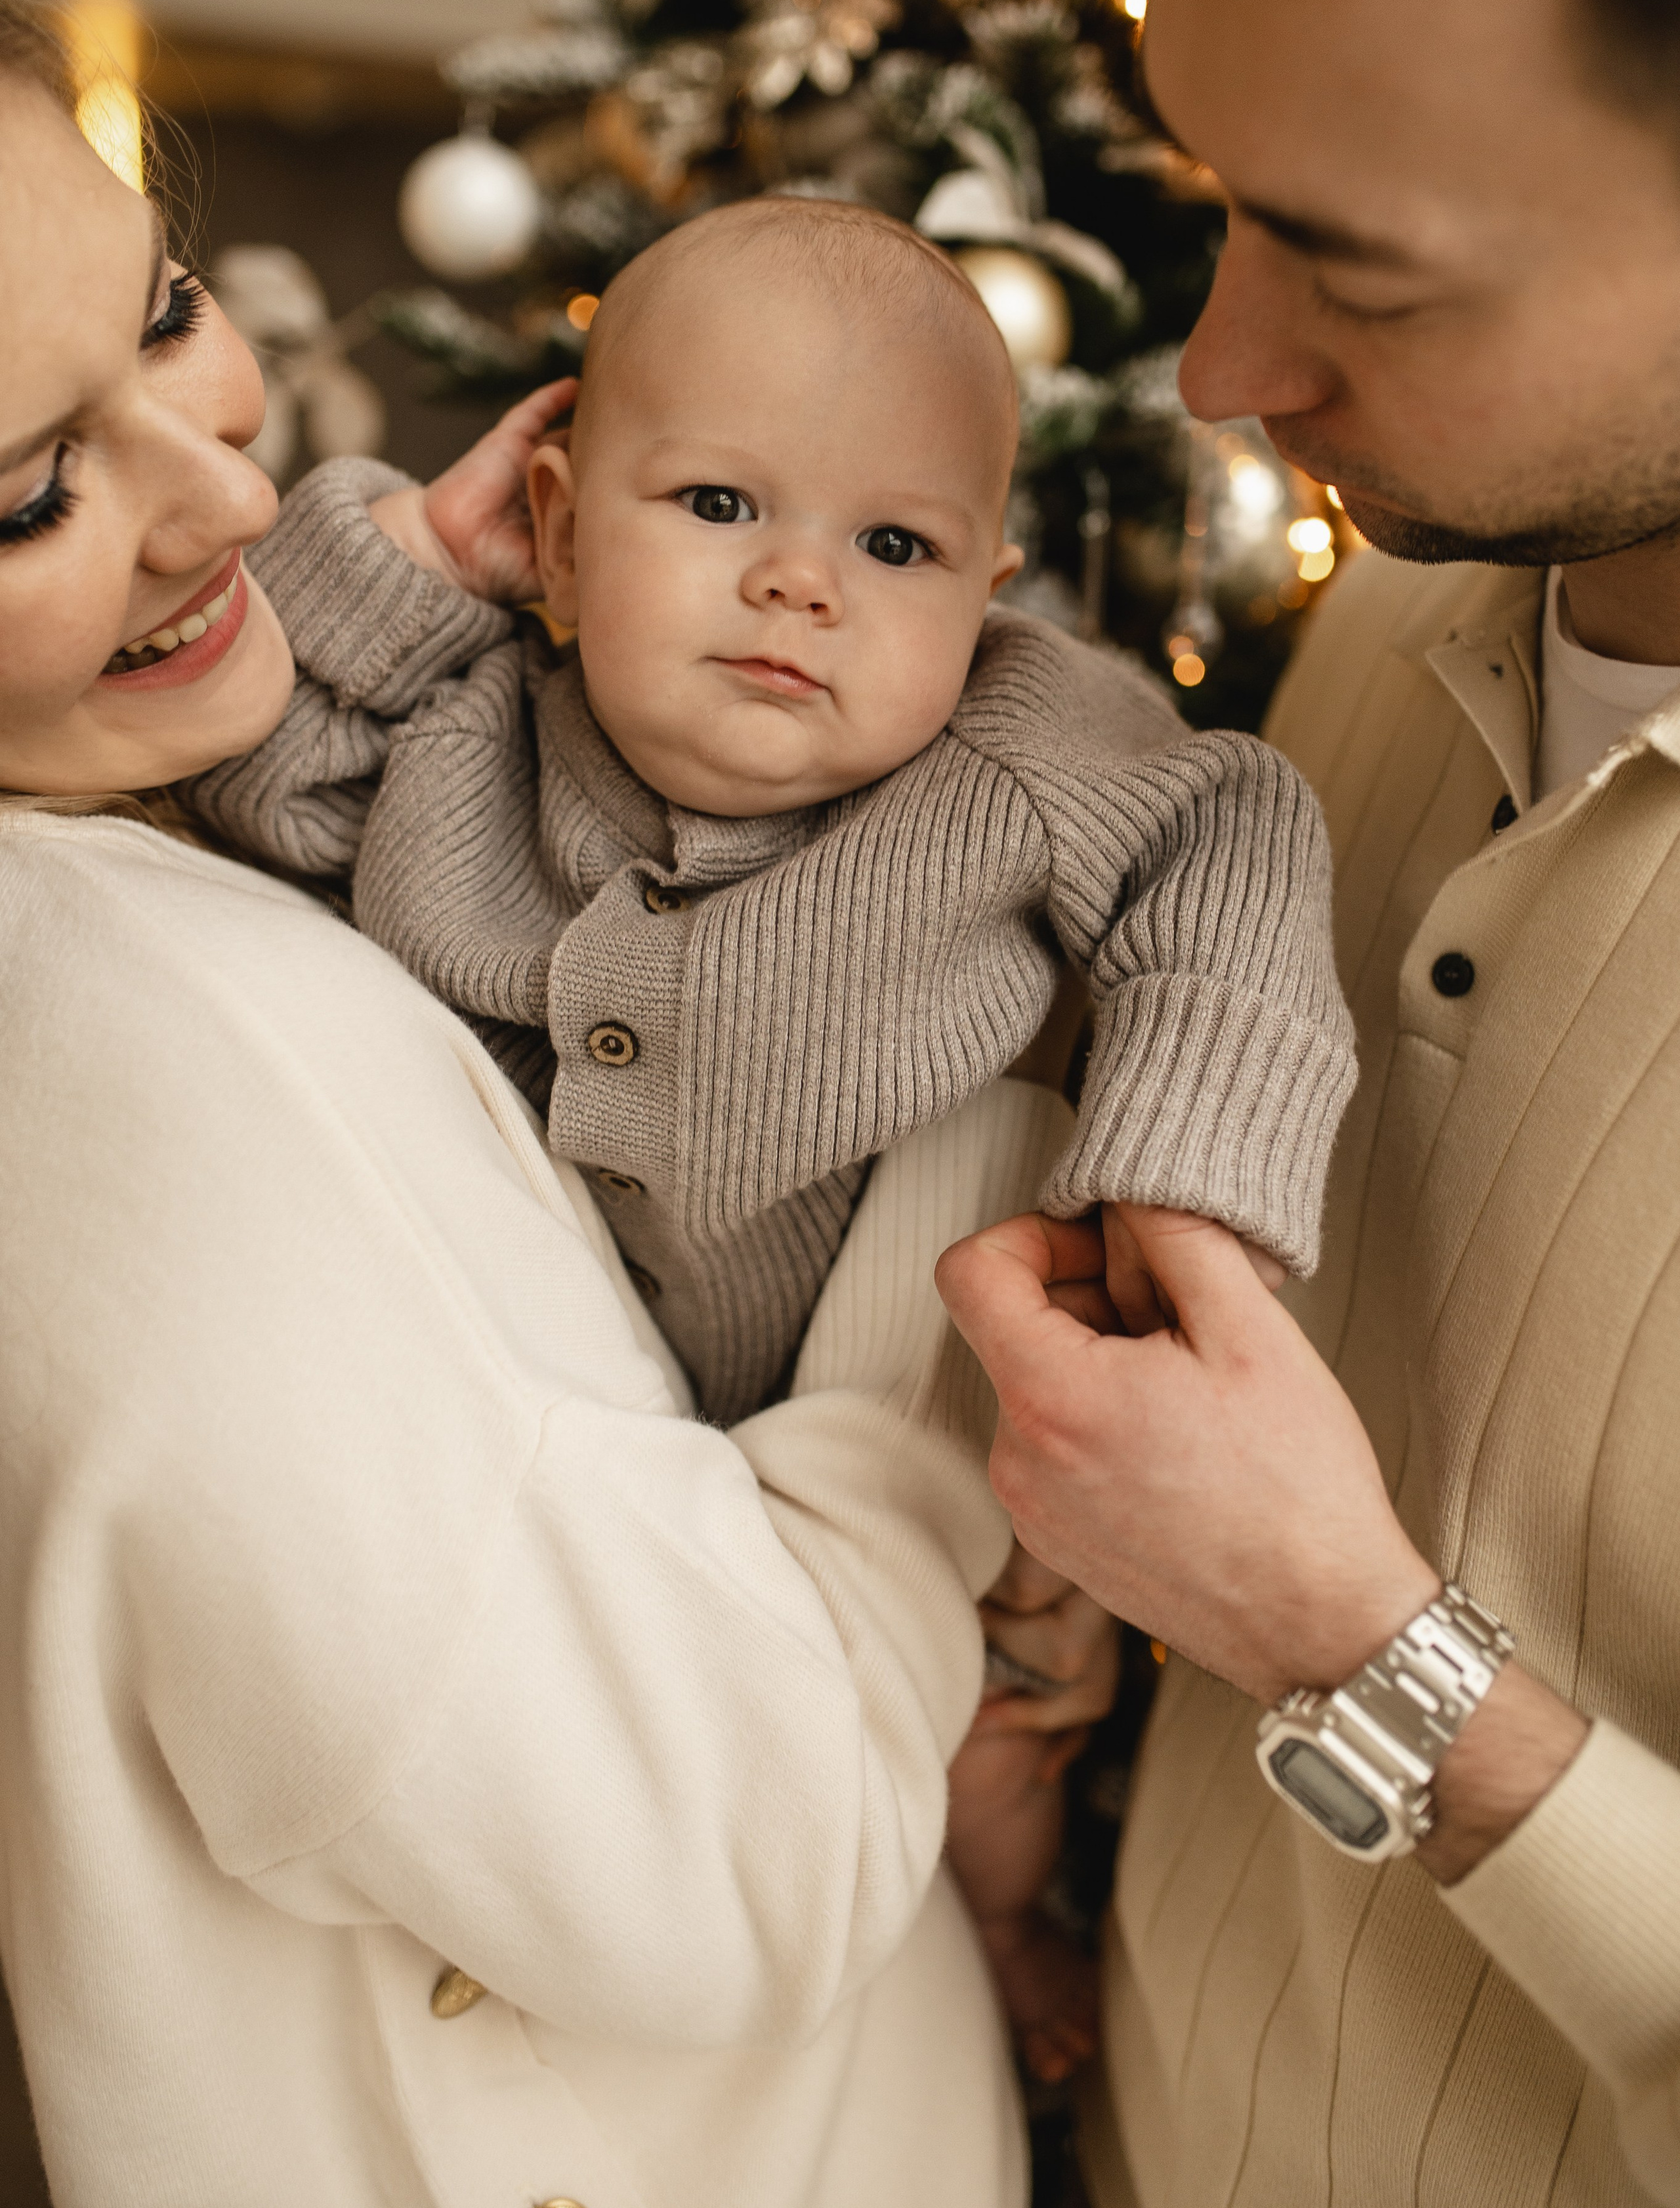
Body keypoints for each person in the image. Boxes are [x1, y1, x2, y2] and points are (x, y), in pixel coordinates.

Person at [0, 0, 1119, 2208]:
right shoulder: (154, 1046)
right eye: (29, 487)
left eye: (173, 313)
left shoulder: (225, 823)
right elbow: (734, 1854)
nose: (233, 481)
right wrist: (965, 1205)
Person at [177, 192, 1354, 2072]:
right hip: (574, 1476)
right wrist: (408, 557)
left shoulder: (1021, 755)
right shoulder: (472, 733)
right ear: (557, 531)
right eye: (719, 506)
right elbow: (253, 767)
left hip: (901, 1453)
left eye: (896, 544)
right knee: (590, 1803)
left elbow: (1240, 829)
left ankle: (1003, 1939)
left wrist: (1177, 1170)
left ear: (987, 596)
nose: (803, 585)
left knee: (986, 1753)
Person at [935, 0, 1680, 2208]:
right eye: (1219, 198)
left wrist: (1364, 1649)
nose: (1221, 372)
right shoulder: (1391, 611)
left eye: (1353, 259)